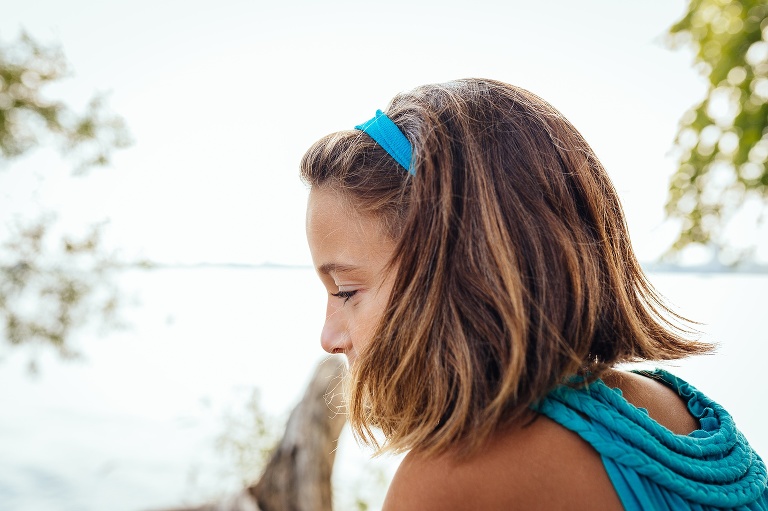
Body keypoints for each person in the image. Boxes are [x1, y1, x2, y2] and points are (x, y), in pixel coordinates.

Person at [301, 78, 767, 510]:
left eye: (346, 290)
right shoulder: (692, 419)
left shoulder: (457, 478)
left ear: (465, 269)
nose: (329, 336)